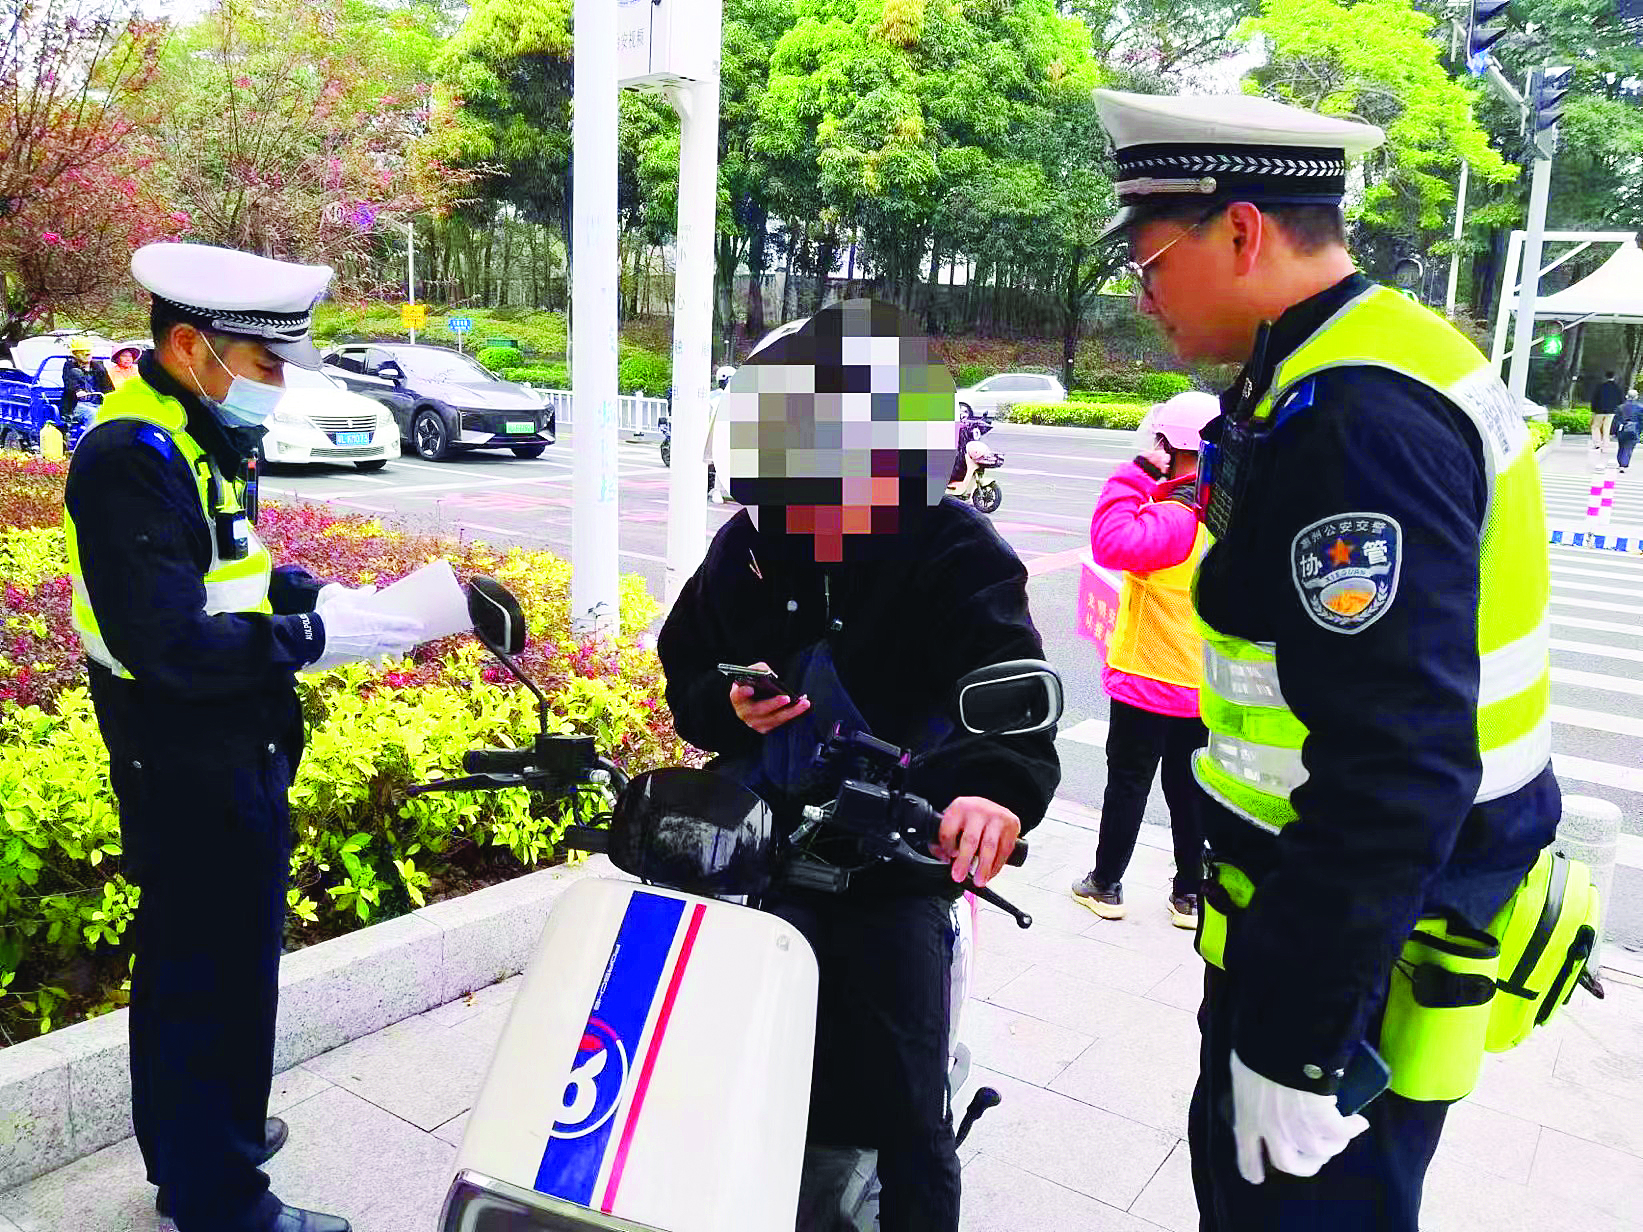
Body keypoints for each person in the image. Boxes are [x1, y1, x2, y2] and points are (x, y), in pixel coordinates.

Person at [1090, 89, 1558, 1231]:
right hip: (1349, 921)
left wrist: (1297, 1043)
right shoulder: (1367, 351)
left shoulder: (1356, 419)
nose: (1142, 296)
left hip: (1355, 954)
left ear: (1241, 231)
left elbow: (1396, 765)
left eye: (1149, 263)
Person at [657, 298, 1060, 1232]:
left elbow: (1006, 683)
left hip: (894, 856)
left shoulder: (956, 551)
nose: (812, 512)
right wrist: (726, 704)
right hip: (750, 841)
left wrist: (989, 793)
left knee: (905, 1109)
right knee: (689, 1067)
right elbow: (688, 670)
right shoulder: (750, 546)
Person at [64, 242, 426, 1232]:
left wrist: (333, 598)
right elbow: (170, 641)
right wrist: (316, 639)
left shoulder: (194, 432)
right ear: (191, 344)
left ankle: (200, 1140)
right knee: (211, 976)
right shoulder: (129, 457)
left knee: (205, 965)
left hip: (226, 741)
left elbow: (236, 570)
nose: (278, 385)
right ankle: (220, 1199)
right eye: (266, 363)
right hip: (186, 750)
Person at [1072, 391, 1217, 929]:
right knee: (1189, 789)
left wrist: (1134, 474)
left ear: (1168, 447)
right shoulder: (1222, 515)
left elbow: (1111, 543)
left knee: (1129, 783)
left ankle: (1105, 884)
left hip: (1148, 677)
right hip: (1201, 684)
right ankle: (1189, 895)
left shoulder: (1176, 518)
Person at [59, 337, 102, 426]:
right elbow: (70, 383)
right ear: (75, 354)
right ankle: (94, 434)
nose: (86, 354)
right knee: (92, 413)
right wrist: (78, 391)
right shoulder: (70, 367)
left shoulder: (99, 367)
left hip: (98, 402)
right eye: (81, 351)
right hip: (77, 405)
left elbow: (108, 386)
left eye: (88, 351)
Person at [1591, 370, 1623, 452]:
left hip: (1600, 410)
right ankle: (1605, 446)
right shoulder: (1617, 388)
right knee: (1607, 428)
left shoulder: (1601, 387)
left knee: (1595, 426)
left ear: (1605, 377)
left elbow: (1594, 399)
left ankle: (1597, 443)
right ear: (1614, 377)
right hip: (1611, 411)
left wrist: (1593, 410)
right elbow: (1621, 400)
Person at [1616, 389, 1642, 472]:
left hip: (1622, 429)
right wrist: (1639, 430)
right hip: (1634, 430)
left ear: (1627, 396)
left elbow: (1616, 420)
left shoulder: (1620, 407)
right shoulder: (1640, 408)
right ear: (1636, 397)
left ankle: (1621, 462)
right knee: (1628, 448)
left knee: (1621, 446)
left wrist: (1615, 432)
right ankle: (1623, 464)